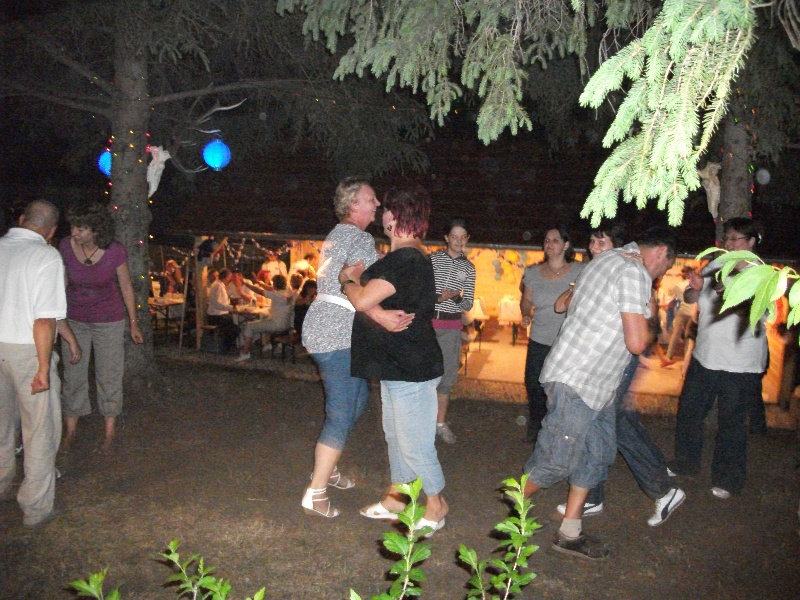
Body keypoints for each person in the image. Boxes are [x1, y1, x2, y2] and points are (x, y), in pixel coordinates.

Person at [522, 226, 676, 560]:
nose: (662, 274)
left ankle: (569, 532)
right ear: (662, 252)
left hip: (597, 383)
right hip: (579, 379)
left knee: (597, 454)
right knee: (555, 461)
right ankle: (511, 504)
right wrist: (654, 332)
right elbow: (636, 342)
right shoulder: (634, 271)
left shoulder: (607, 260)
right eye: (666, 267)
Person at [554, 222, 685, 528]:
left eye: (601, 242)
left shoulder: (633, 270)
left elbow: (642, 331)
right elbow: (562, 305)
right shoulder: (619, 265)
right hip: (597, 360)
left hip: (617, 359)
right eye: (592, 242)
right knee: (600, 423)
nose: (594, 248)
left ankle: (662, 488)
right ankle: (593, 493)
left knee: (612, 422)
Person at [300, 178, 412, 518]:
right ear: (353, 205)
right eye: (371, 198)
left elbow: (353, 278)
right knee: (343, 409)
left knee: (358, 400)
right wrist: (381, 316)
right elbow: (362, 288)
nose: (377, 203)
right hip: (335, 332)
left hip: (326, 327)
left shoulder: (339, 234)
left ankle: (328, 467)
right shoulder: (359, 237)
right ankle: (316, 492)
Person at [340, 185, 447, 536]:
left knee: (414, 443)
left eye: (387, 208)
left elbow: (361, 299)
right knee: (396, 436)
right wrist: (376, 311)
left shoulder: (407, 259)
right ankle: (397, 499)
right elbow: (374, 304)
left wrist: (348, 279)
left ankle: (437, 505)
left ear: (398, 217)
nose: (381, 212)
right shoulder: (405, 258)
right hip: (397, 363)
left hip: (411, 366)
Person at [672, 218, 768, 499]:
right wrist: (695, 287)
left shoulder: (762, 274)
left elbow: (756, 310)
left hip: (741, 363)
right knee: (690, 412)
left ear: (751, 242)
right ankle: (686, 463)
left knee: (732, 423)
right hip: (705, 356)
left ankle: (728, 478)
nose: (729, 244)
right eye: (727, 238)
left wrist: (729, 292)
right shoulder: (716, 265)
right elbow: (692, 297)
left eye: (736, 238)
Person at [0, 200, 67, 527]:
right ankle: (35, 507)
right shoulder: (46, 256)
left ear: (22, 219)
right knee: (39, 429)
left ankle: (1, 481)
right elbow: (44, 319)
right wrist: (43, 368)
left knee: (1, 424)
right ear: (51, 231)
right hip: (27, 349)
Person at [59, 201, 144, 455]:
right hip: (75, 320)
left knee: (109, 374)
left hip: (109, 320)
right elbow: (61, 283)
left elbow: (126, 286)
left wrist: (133, 322)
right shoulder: (65, 246)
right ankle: (71, 429)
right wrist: (56, 317)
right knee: (73, 374)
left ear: (96, 229)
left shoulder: (114, 251)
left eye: (81, 228)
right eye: (73, 226)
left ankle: (109, 430)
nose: (74, 232)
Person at [520, 226, 584, 444]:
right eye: (547, 240)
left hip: (568, 342)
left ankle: (561, 429)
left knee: (563, 388)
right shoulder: (533, 273)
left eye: (555, 240)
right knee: (534, 384)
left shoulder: (580, 271)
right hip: (540, 338)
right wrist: (526, 313)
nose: (550, 244)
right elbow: (526, 300)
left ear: (566, 245)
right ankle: (537, 425)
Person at [429, 218, 476, 444]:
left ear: (467, 239)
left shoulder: (469, 268)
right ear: (446, 238)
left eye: (463, 237)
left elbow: (468, 303)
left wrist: (456, 297)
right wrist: (438, 298)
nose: (458, 241)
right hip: (427, 325)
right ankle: (421, 423)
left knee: (446, 378)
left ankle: (440, 424)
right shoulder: (433, 260)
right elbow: (420, 291)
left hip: (450, 328)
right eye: (454, 236)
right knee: (424, 375)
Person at [236, 274, 295, 361]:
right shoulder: (288, 291)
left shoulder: (276, 295)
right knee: (264, 318)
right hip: (287, 324)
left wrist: (246, 284)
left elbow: (259, 291)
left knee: (249, 326)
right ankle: (267, 344)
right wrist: (258, 282)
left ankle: (245, 353)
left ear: (275, 284)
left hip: (277, 325)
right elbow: (270, 288)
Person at [206, 269, 239, 354]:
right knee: (235, 328)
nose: (230, 279)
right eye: (230, 277)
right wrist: (231, 308)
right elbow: (217, 304)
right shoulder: (218, 286)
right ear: (226, 277)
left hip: (217, 314)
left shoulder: (218, 285)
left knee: (233, 321)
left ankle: (227, 346)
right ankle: (225, 347)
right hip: (216, 316)